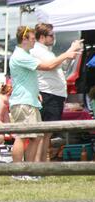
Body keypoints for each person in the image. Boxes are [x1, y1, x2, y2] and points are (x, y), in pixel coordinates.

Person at [9, 26, 81, 166]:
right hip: (23, 102)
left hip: (30, 101)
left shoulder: (26, 54)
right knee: (22, 137)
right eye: (31, 39)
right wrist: (67, 54)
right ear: (24, 39)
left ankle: (29, 170)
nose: (34, 42)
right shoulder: (21, 56)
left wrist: (36, 94)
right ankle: (17, 170)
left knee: (35, 137)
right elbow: (48, 66)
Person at [30, 23, 75, 162]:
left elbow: (60, 66)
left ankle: (43, 165)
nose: (53, 38)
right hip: (48, 94)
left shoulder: (47, 51)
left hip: (54, 95)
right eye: (51, 35)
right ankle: (39, 165)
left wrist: (70, 53)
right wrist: (68, 52)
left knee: (47, 134)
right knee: (43, 134)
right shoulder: (38, 50)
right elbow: (50, 65)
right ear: (42, 37)